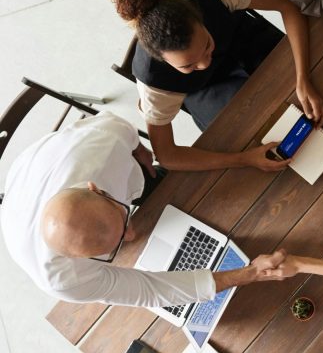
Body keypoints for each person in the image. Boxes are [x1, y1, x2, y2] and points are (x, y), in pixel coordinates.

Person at [0, 110, 288, 307]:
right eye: (109, 251)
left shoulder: (103, 142)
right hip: (20, 193)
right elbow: (149, 290)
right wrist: (248, 274)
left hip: (47, 159)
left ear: (95, 188)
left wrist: (141, 152)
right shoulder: (62, 280)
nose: (131, 235)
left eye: (124, 221)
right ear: (79, 258)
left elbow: (121, 128)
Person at [112, 0, 323, 170]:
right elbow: (167, 155)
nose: (205, 63)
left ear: (200, 18)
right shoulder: (154, 84)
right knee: (246, 133)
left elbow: (285, 2)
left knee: (317, 77)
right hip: (203, 89)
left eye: (206, 46)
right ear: (163, 61)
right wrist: (244, 160)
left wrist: (302, 77)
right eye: (188, 65)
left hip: (244, 43)